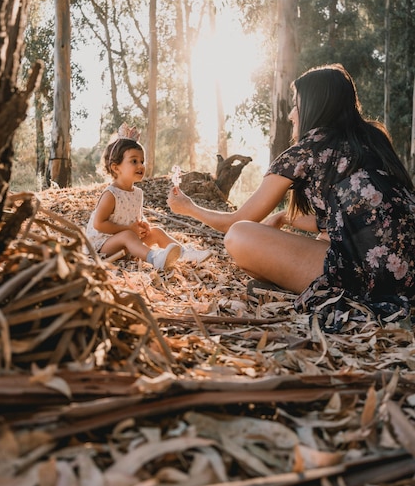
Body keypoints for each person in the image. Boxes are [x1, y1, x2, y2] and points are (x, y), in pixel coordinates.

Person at [168, 63, 415, 331]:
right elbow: (358, 219)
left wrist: (188, 207)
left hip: (369, 278)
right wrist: (285, 216)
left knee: (239, 236)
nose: (291, 115)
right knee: (316, 240)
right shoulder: (372, 140)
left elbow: (235, 222)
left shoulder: (307, 151)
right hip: (407, 272)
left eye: (296, 105)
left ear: (315, 106)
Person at [86, 124, 211, 271]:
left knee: (156, 231)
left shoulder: (137, 192)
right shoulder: (111, 194)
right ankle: (155, 258)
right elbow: (99, 224)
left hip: (128, 243)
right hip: (102, 246)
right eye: (134, 161)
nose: (140, 165)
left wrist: (143, 226)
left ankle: (184, 254)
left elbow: (135, 217)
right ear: (116, 167)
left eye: (142, 161)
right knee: (127, 235)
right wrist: (129, 229)